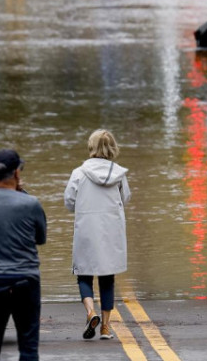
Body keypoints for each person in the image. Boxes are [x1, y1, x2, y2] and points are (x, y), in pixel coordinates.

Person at [0, 149, 47, 361]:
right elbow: (40, 238)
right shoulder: (30, 203)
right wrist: (21, 193)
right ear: (16, 173)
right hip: (25, 281)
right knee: (28, 348)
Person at [64, 129, 132, 341]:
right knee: (107, 277)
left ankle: (90, 312)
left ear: (91, 147)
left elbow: (69, 202)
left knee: (84, 274)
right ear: (112, 148)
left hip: (86, 228)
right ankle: (105, 328)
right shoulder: (119, 174)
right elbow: (126, 198)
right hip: (110, 230)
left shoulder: (79, 173)